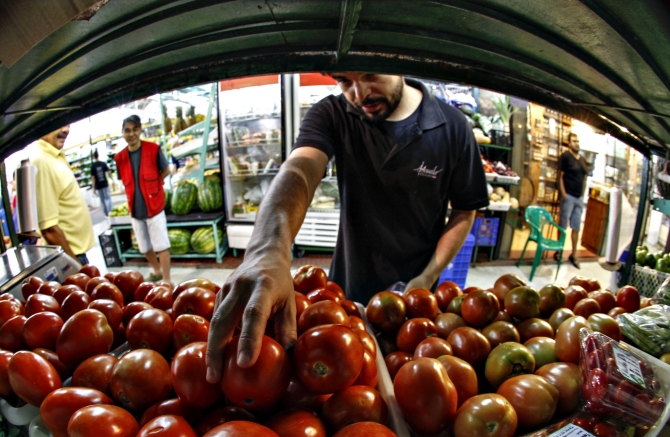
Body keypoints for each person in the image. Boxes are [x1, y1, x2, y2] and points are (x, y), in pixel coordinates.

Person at [205, 73, 489, 382]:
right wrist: (268, 248)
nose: (359, 93)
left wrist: (426, 276)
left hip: (415, 300)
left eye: (370, 75)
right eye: (344, 80)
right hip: (347, 289)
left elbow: (464, 211)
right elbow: (300, 170)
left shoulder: (452, 127)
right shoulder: (334, 113)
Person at [114, 115, 173, 285]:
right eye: (127, 130)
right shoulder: (120, 158)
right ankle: (156, 270)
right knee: (144, 246)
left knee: (161, 245)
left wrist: (157, 183)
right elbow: (123, 180)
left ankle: (167, 279)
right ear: (123, 133)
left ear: (140, 130)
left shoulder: (153, 149)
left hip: (154, 206)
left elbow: (166, 170)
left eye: (134, 129)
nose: (131, 133)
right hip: (135, 209)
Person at [31, 125, 95, 265]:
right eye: (59, 124)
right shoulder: (41, 161)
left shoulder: (53, 155)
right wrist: (76, 266)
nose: (66, 130)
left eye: (68, 124)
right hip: (70, 257)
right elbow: (49, 228)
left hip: (74, 254)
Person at [556, 132, 593, 269]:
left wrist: (583, 195)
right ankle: (559, 251)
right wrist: (564, 194)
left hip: (579, 198)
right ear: (569, 143)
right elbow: (560, 175)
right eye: (574, 141)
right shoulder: (566, 156)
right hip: (569, 196)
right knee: (563, 225)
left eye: (578, 141)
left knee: (576, 227)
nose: (577, 143)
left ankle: (574, 254)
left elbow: (584, 177)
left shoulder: (582, 159)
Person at [90, 149, 113, 216]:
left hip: (98, 186)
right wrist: (112, 179)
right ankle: (110, 212)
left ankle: (106, 213)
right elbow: (108, 172)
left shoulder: (93, 166)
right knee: (108, 198)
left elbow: (93, 178)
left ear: (94, 157)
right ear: (98, 156)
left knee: (102, 200)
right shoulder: (103, 163)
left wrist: (93, 188)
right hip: (105, 184)